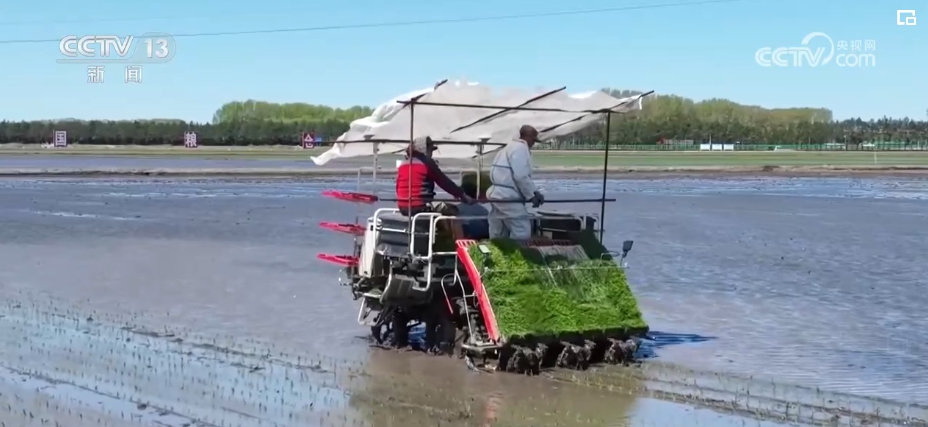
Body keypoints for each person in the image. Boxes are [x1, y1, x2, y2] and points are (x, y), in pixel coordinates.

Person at [486, 125, 545, 240]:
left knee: (499, 229)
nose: (533, 144)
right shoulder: (520, 148)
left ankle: (497, 253)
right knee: (521, 229)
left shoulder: (508, 147)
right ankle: (518, 254)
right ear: (527, 137)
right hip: (507, 195)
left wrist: (534, 191)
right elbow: (521, 176)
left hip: (496, 193)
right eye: (533, 140)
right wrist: (532, 195)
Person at [395, 136, 474, 216]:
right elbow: (444, 182)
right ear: (424, 149)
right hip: (421, 206)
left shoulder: (403, 164)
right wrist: (462, 195)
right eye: (430, 150)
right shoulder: (427, 163)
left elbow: (397, 187)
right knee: (452, 210)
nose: (431, 154)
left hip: (403, 208)